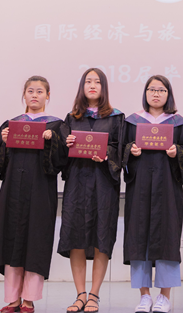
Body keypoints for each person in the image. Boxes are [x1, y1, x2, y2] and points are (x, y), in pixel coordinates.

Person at [0, 76, 68, 313]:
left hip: (41, 191)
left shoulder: (56, 126)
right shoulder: (11, 124)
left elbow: (62, 161)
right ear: (24, 95)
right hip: (12, 190)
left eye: (40, 92)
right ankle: (12, 298)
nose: (34, 95)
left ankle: (29, 299)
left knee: (36, 239)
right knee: (11, 238)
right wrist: (4, 143)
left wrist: (53, 141)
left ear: (48, 96)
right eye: (30, 91)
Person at [123, 75, 183, 313]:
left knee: (167, 236)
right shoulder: (132, 122)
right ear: (145, 93)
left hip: (167, 187)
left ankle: (164, 296)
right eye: (151, 89)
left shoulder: (179, 123)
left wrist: (177, 152)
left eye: (161, 90)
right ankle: (144, 296)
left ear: (168, 94)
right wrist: (130, 150)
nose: (156, 93)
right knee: (138, 236)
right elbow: (121, 150)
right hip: (139, 187)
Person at [59, 68, 124, 313]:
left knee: (101, 237)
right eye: (88, 81)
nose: (93, 85)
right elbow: (60, 154)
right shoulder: (71, 118)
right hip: (77, 183)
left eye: (97, 81)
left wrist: (107, 154)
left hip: (104, 183)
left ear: (104, 87)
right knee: (75, 236)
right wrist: (65, 144)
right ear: (82, 86)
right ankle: (80, 295)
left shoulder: (116, 118)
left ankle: (94, 295)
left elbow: (121, 149)